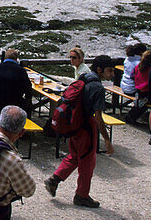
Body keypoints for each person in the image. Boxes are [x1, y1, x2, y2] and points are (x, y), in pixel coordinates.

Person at [45, 55, 115, 208]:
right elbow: (98, 117)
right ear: (99, 69)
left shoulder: (84, 78)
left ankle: (54, 180)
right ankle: (82, 195)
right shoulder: (98, 88)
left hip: (74, 123)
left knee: (75, 156)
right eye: (110, 71)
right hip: (86, 126)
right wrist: (107, 140)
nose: (112, 74)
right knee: (87, 162)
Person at [0, 49, 32, 114]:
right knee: (27, 104)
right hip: (15, 102)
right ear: (16, 59)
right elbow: (28, 88)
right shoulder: (21, 70)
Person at [123, 49, 151, 125]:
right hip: (147, 91)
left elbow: (132, 76)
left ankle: (131, 116)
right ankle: (131, 117)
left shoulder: (137, 67)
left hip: (139, 90)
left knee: (140, 104)